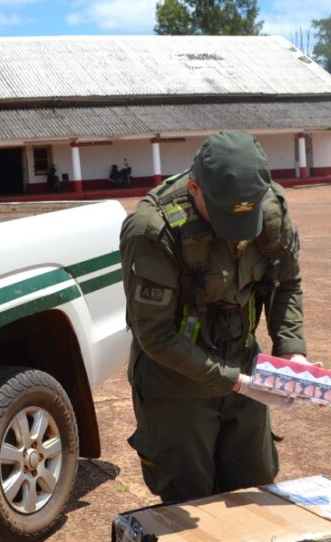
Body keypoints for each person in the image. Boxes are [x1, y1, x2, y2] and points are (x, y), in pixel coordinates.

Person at [119, 131, 308, 502]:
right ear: (193, 188)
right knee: (191, 504)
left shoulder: (269, 209)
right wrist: (234, 381)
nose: (239, 232)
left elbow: (286, 282)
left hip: (244, 368)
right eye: (223, 214)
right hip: (176, 384)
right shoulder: (153, 229)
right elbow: (154, 334)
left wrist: (291, 352)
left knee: (254, 491)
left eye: (248, 213)